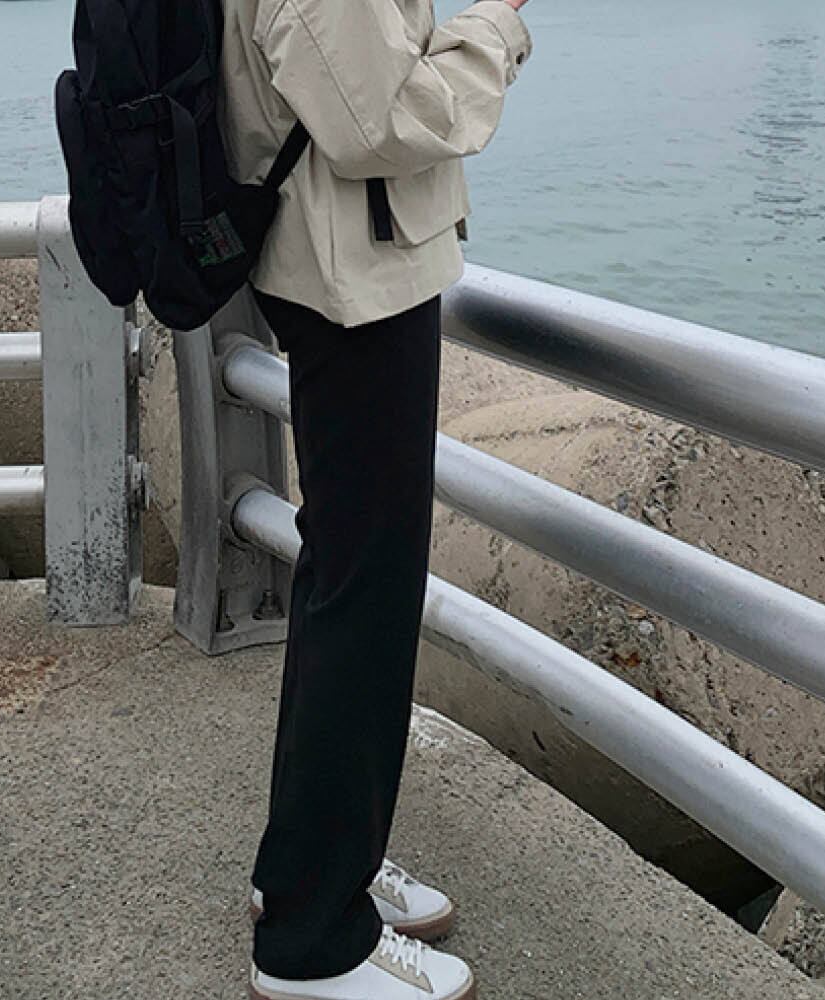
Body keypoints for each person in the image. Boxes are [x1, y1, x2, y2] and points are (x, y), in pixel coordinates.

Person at [217, 0, 532, 996]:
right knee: (365, 596)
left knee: (343, 581)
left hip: (333, 262)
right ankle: (311, 941)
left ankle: (311, 867)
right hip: (353, 282)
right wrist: (495, 24)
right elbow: (380, 121)